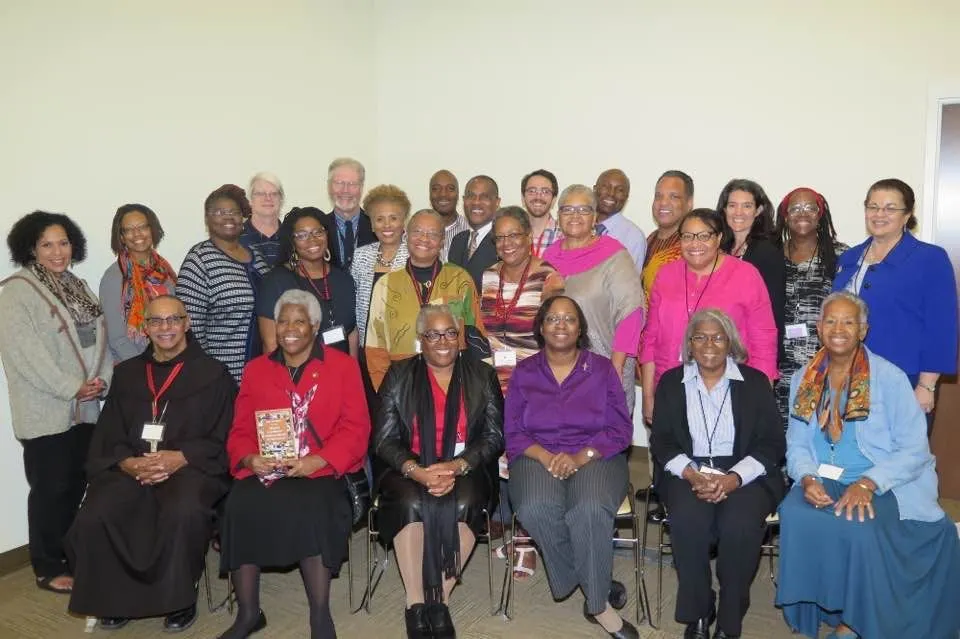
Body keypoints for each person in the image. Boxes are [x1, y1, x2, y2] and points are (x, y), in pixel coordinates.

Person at [776, 292, 960, 639]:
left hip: (883, 481)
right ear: (818, 328)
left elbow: (914, 449)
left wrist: (868, 484)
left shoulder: (888, 378)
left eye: (849, 322)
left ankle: (854, 622)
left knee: (858, 523)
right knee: (794, 511)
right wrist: (806, 476)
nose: (839, 329)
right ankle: (813, 608)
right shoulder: (804, 377)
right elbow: (797, 441)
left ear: (863, 330)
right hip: (823, 475)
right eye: (830, 321)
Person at [65, 295, 235, 632]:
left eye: (173, 320)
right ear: (145, 329)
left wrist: (181, 457)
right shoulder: (127, 374)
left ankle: (179, 598)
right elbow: (109, 432)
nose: (165, 328)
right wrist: (127, 463)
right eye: (156, 321)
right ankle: (113, 598)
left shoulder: (213, 373)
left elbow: (225, 434)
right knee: (98, 512)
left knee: (182, 510)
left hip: (191, 466)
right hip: (132, 467)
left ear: (187, 323)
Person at [218, 290, 370, 639]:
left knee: (314, 506)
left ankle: (320, 615)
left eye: (299, 321)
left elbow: (356, 427)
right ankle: (249, 613)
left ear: (314, 326)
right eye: (283, 321)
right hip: (266, 468)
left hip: (319, 469)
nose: (289, 329)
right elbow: (240, 428)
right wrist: (250, 458)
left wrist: (316, 460)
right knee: (239, 505)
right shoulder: (257, 369)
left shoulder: (342, 366)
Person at [650, 309, 786, 639]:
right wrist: (693, 475)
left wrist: (733, 478)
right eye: (700, 337)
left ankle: (730, 615)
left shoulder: (754, 383)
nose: (709, 344)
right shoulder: (671, 382)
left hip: (745, 469)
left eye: (717, 337)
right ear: (689, 345)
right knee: (688, 521)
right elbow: (662, 441)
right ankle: (699, 611)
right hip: (689, 467)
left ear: (730, 343)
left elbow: (772, 444)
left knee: (739, 525)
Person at [506, 296, 636, 639]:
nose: (560, 325)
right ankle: (591, 578)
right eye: (552, 319)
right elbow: (514, 431)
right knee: (535, 507)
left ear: (580, 328)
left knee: (589, 509)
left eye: (569, 319)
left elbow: (621, 430)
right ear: (541, 327)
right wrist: (547, 457)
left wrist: (580, 457)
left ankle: (598, 605)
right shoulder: (525, 371)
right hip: (538, 454)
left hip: (595, 455)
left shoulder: (602, 368)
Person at [372, 304, 504, 639]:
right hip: (409, 464)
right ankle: (415, 601)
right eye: (433, 334)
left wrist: (457, 466)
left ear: (459, 337)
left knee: (467, 501)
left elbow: (494, 436)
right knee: (409, 504)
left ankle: (438, 600)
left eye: (449, 333)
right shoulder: (399, 374)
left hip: (466, 465)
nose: (442, 341)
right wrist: (416, 470)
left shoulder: (481, 374)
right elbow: (384, 440)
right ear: (421, 340)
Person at [0, 211, 112, 595]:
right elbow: (23, 354)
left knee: (78, 484)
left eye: (63, 242)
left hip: (86, 407)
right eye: (47, 244)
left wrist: (102, 381)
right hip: (45, 409)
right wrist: (71, 387)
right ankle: (47, 565)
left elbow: (100, 340)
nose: (57, 251)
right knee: (51, 488)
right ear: (31, 248)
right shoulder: (17, 291)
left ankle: (72, 553)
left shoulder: (78, 285)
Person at [479, 205, 563, 579]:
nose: (508, 242)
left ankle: (528, 546)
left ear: (529, 236)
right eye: (501, 237)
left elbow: (556, 334)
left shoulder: (548, 277)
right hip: (492, 381)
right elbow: (484, 330)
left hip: (531, 385)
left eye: (516, 234)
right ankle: (516, 535)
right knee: (500, 462)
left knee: (524, 463)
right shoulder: (489, 275)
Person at [833, 178, 958, 421]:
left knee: (900, 456)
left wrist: (926, 385)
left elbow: (941, 327)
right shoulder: (849, 258)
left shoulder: (930, 259)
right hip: (849, 377)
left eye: (890, 208)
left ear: (907, 214)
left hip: (904, 381)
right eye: (873, 206)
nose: (879, 214)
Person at [641, 209, 777, 425]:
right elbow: (650, 339)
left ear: (719, 238)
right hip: (670, 390)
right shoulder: (666, 274)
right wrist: (648, 397)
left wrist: (760, 399)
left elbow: (764, 342)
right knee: (670, 456)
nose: (695, 244)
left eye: (704, 236)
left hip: (729, 393)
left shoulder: (746, 275)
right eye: (687, 236)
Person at [542, 184, 645, 413]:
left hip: (606, 364)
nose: (575, 216)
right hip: (559, 370)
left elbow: (631, 312)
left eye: (583, 210)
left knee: (603, 443)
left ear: (595, 216)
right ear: (558, 217)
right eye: (567, 209)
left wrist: (616, 367)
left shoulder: (614, 255)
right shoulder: (549, 257)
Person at [365, 209, 486, 391]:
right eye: (418, 232)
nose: (424, 238)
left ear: (442, 241)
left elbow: (478, 338)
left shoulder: (460, 279)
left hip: (454, 384)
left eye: (433, 234)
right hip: (402, 385)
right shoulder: (386, 285)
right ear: (406, 235)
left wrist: (474, 390)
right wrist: (387, 394)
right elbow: (375, 348)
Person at [176, 184, 269, 383]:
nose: (228, 217)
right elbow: (190, 327)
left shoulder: (257, 256)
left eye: (234, 212)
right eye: (219, 212)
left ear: (243, 218)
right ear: (207, 218)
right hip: (223, 378)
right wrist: (209, 374)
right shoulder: (199, 259)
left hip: (265, 374)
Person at [773, 187, 848, 423]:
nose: (802, 213)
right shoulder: (771, 255)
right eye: (795, 208)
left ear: (820, 214)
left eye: (810, 208)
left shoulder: (840, 256)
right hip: (779, 369)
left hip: (824, 365)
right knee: (783, 437)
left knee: (821, 432)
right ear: (785, 216)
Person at [257, 206, 358, 358]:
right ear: (292, 242)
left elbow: (351, 333)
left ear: (327, 234)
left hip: (340, 375)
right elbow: (271, 344)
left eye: (318, 232)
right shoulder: (276, 282)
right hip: (297, 377)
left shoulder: (344, 278)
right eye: (302, 235)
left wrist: (353, 375)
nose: (312, 240)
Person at [99, 203, 177, 363]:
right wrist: (147, 367)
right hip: (133, 365)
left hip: (170, 360)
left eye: (142, 227)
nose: (137, 234)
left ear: (152, 230)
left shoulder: (165, 271)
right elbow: (116, 338)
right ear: (121, 237)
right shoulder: (114, 277)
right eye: (129, 230)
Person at [717, 179, 786, 360]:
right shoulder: (718, 248)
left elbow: (773, 312)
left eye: (747, 206)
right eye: (732, 205)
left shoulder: (767, 252)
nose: (738, 212)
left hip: (749, 351)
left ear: (758, 210)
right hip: (716, 347)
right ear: (724, 209)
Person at [351, 184, 411, 347]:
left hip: (405, 349)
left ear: (403, 222)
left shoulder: (415, 255)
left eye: (393, 218)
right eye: (379, 219)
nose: (387, 225)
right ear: (371, 224)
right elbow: (354, 307)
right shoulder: (360, 256)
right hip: (368, 348)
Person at [642, 170, 694, 294]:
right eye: (658, 196)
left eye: (674, 197)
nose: (663, 203)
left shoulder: (693, 247)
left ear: (689, 203)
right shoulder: (648, 240)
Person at [321, 157, 375, 271]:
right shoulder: (318, 227)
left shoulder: (377, 226)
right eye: (339, 183)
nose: (345, 190)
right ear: (328, 186)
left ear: (361, 187)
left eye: (352, 184)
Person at [448, 174, 501, 290]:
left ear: (497, 202)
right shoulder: (458, 240)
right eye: (471, 196)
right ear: (463, 200)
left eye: (484, 197)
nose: (476, 202)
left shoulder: (502, 240)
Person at [594, 168, 646, 273]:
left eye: (619, 190)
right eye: (606, 187)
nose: (611, 194)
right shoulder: (579, 225)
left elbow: (630, 283)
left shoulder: (634, 237)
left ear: (626, 197)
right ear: (595, 189)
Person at [240, 171, 285, 266]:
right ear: (250, 200)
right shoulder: (236, 238)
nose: (268, 198)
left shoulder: (293, 237)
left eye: (274, 194)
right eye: (260, 193)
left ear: (281, 200)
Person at [521, 169, 562, 257]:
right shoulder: (512, 235)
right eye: (532, 191)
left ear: (554, 200)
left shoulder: (564, 236)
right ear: (523, 198)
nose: (538, 196)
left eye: (545, 192)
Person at [429, 169, 469, 260]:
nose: (443, 194)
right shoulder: (417, 232)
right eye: (436, 189)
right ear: (430, 194)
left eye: (450, 189)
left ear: (458, 194)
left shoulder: (470, 231)